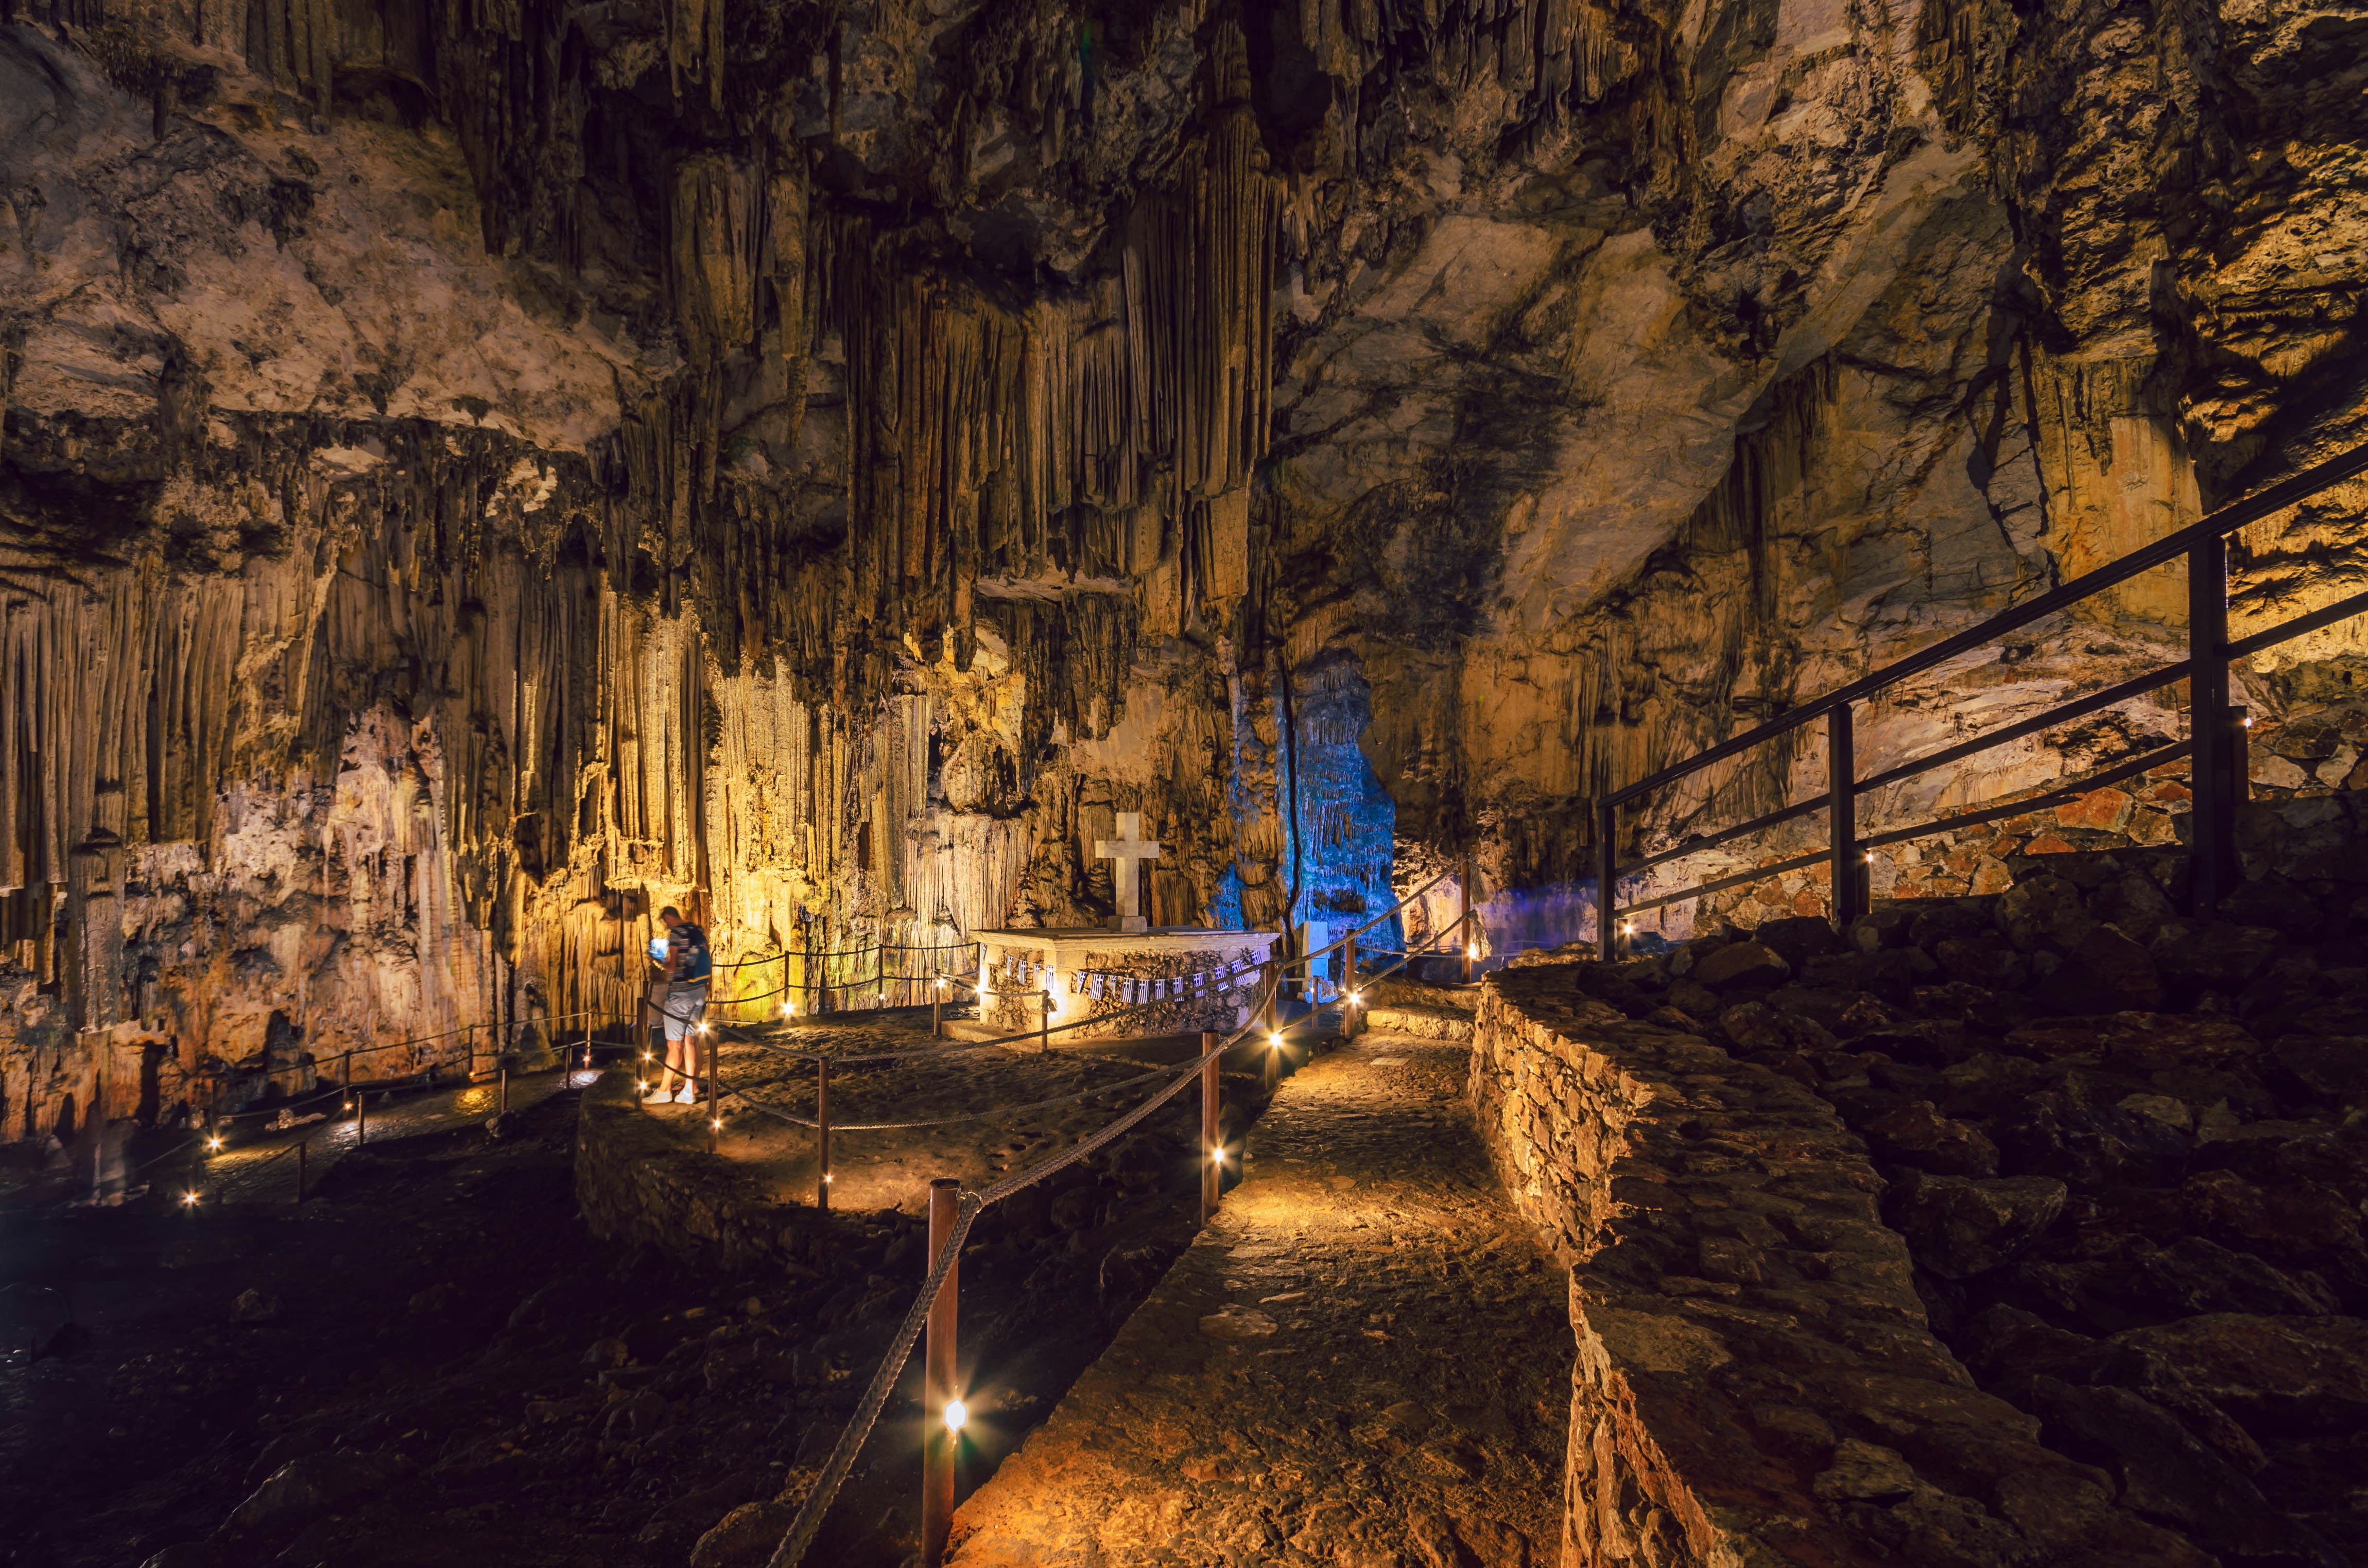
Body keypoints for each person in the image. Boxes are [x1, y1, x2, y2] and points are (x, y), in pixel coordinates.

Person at [650, 904, 712, 1103]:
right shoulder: (696, 930)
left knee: (674, 1045)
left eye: (666, 922)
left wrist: (657, 959)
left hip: (680, 994)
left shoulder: (677, 934)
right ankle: (689, 1089)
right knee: (690, 1041)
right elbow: (706, 956)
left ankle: (663, 1091)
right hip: (698, 991)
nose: (667, 926)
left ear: (669, 917)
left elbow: (672, 966)